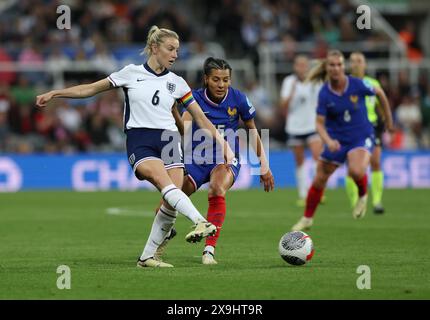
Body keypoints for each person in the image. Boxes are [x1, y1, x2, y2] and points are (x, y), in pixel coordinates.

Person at [36, 26, 235, 268]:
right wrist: (56, 93)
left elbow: (201, 119)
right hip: (141, 140)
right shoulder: (131, 73)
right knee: (168, 186)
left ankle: (147, 257)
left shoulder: (178, 83)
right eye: (170, 49)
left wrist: (223, 144)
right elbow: (90, 89)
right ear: (154, 48)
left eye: (177, 51)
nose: (175, 55)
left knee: (171, 201)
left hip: (169, 140)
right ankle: (200, 220)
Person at [155, 57, 275, 265]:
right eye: (216, 80)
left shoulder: (238, 99)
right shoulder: (194, 98)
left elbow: (253, 132)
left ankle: (209, 250)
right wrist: (175, 112)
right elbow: (184, 130)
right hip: (197, 158)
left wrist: (264, 166)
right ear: (206, 79)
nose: (221, 85)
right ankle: (165, 235)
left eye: (226, 80)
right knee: (165, 205)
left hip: (226, 157)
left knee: (217, 189)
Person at [291, 50, 393, 231]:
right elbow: (319, 124)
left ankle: (363, 195)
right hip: (337, 139)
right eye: (332, 65)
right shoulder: (324, 93)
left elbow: (380, 93)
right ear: (327, 68)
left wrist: (389, 119)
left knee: (356, 170)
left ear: (343, 67)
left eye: (339, 65)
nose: (336, 68)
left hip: (360, 136)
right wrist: (328, 141)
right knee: (319, 179)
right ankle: (307, 219)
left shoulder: (357, 84)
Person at [345, 52, 386, 214]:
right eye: (353, 61)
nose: (356, 64)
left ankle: (377, 201)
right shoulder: (344, 83)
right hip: (351, 127)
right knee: (353, 168)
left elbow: (381, 102)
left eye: (359, 61)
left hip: (372, 126)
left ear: (365, 65)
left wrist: (385, 119)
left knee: (376, 161)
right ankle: (356, 203)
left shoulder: (372, 83)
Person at [280, 55, 323, 207]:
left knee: (318, 157)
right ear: (295, 67)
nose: (302, 68)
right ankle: (303, 194)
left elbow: (321, 101)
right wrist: (292, 93)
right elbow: (283, 106)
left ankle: (318, 191)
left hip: (311, 125)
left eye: (304, 65)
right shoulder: (289, 82)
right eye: (299, 65)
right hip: (295, 126)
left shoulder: (314, 81)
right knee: (299, 161)